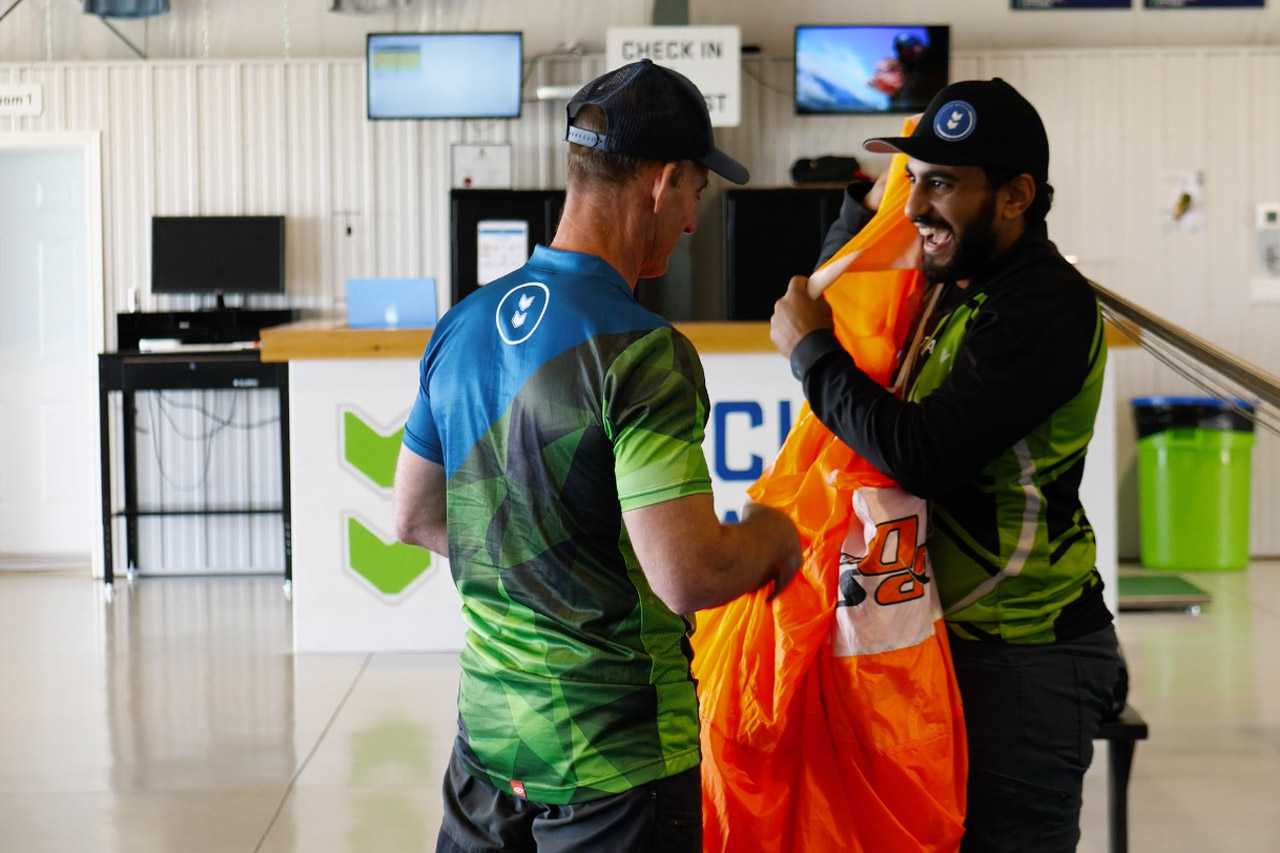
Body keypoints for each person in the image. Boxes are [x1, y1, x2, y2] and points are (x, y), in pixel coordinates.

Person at [392, 58, 802, 853]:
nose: (691, 222)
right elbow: (685, 572)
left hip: (488, 751)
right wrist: (770, 537)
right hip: (616, 766)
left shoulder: (463, 324)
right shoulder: (642, 351)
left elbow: (413, 515)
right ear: (662, 181)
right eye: (694, 194)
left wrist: (543, 560)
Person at [769, 78, 1126, 852]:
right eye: (914, 180)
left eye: (942, 184)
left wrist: (811, 354)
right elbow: (866, 293)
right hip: (950, 644)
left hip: (1028, 652)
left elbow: (921, 451)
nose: (918, 207)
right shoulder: (958, 285)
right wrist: (857, 217)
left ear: (1015, 195)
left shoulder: (1040, 306)